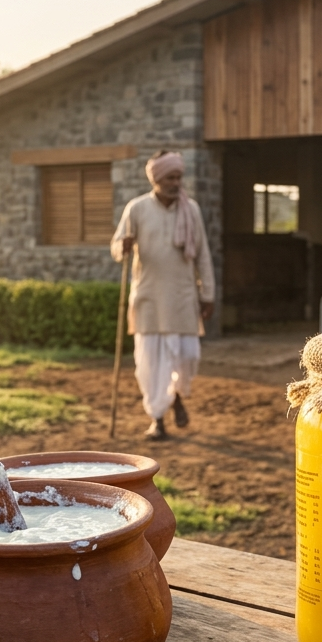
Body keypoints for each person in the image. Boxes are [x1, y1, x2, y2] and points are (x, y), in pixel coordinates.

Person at [111, 150, 215, 440]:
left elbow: (203, 255)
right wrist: (125, 247)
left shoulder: (190, 209)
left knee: (187, 356)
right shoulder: (137, 208)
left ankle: (177, 396)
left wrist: (208, 293)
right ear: (156, 178)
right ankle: (157, 418)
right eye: (170, 177)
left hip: (182, 296)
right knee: (150, 364)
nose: (176, 182)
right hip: (148, 298)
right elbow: (117, 246)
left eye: (179, 177)